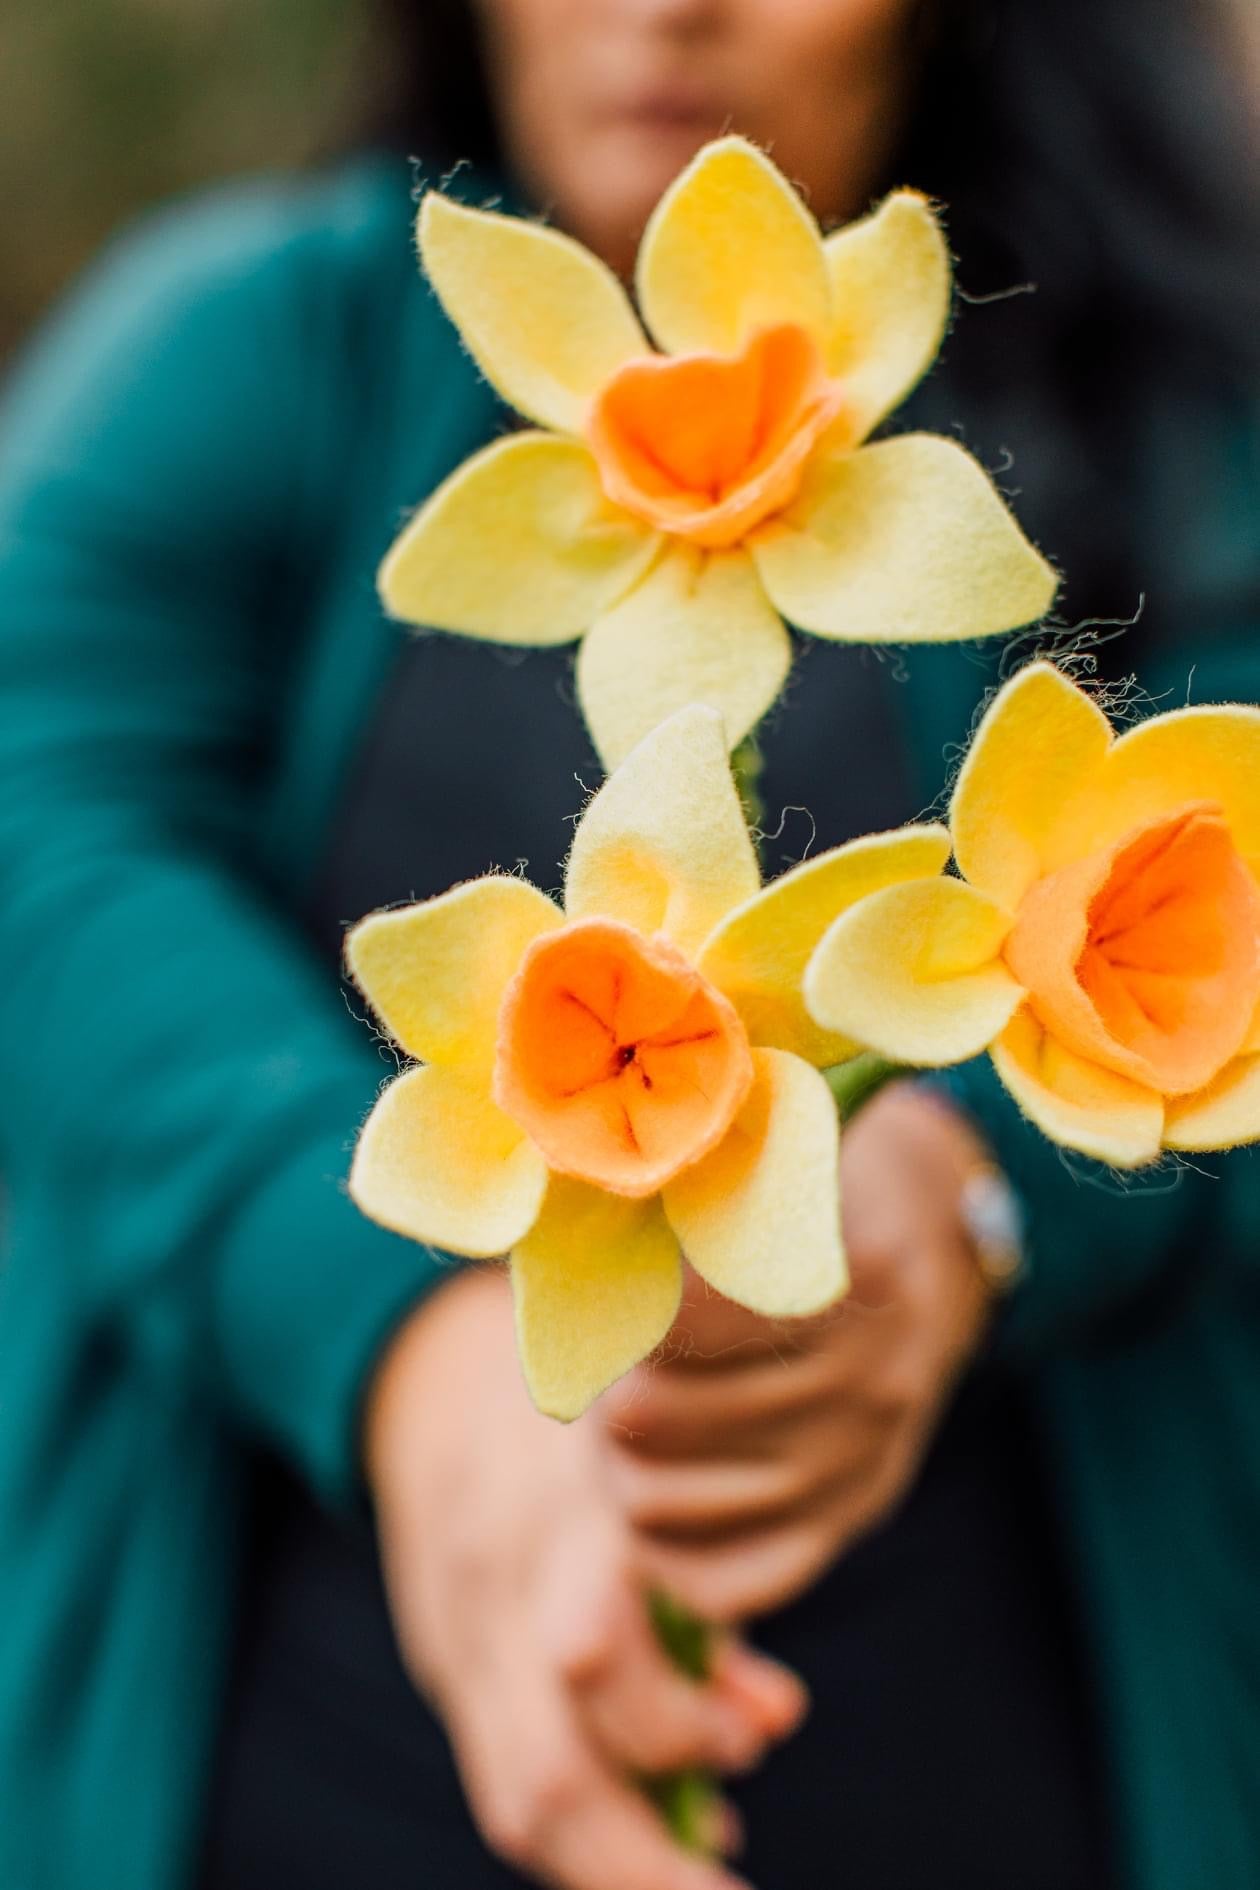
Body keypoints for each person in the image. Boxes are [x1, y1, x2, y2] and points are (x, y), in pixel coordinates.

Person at [0, 2, 1257, 1888]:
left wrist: (983, 1188)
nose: (669, 2)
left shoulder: (1161, 387)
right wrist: (392, 1346)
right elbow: (45, 816)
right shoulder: (256, 347)